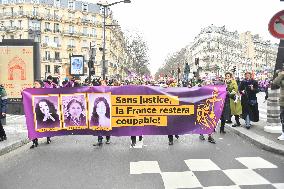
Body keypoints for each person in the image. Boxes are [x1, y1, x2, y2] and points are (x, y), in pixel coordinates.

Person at [272, 70, 284, 140]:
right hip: (283, 102)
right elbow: (275, 82)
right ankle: (283, 133)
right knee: (283, 118)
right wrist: (281, 74)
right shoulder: (282, 78)